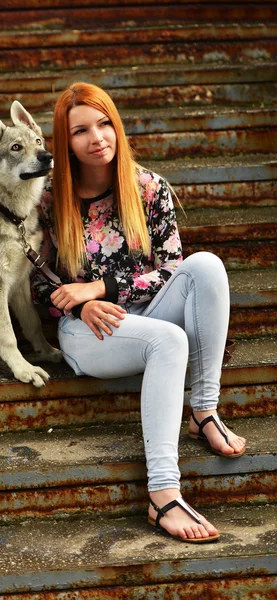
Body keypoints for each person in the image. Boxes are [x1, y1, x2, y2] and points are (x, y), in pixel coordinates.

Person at [31, 82, 246, 543]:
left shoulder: (148, 187)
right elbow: (37, 282)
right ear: (64, 142)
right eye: (80, 130)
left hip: (151, 309)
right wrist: (83, 302)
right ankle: (163, 495)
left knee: (205, 265)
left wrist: (102, 285)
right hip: (89, 331)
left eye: (105, 122)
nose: (97, 137)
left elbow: (171, 268)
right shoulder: (49, 199)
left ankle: (204, 409)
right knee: (169, 340)